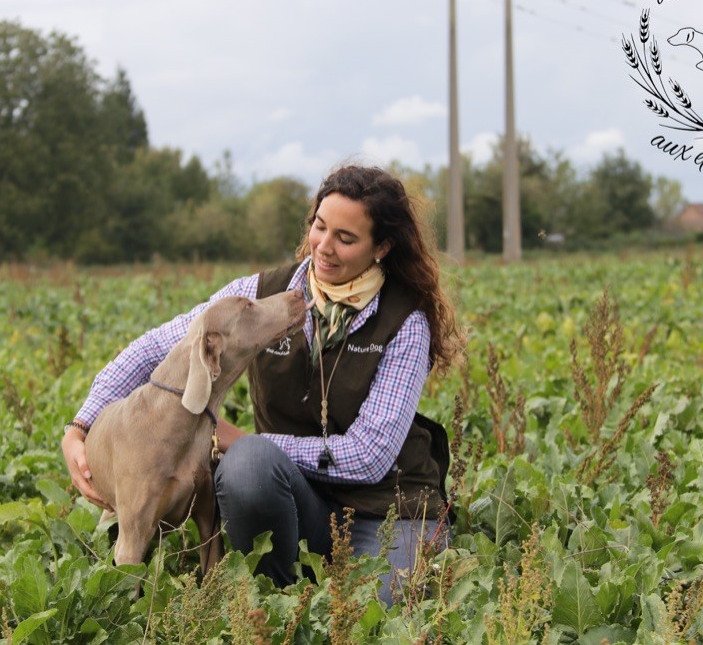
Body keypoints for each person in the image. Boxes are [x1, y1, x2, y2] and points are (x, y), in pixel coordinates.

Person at [61, 164, 464, 604]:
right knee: (248, 468)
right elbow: (156, 348)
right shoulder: (261, 296)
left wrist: (248, 440)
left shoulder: (405, 321)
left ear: (382, 247)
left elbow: (368, 456)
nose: (323, 248)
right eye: (319, 227)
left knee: (376, 615)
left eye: (345, 239)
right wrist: (80, 426)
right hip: (293, 497)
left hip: (385, 508)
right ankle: (278, 594)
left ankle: (328, 585)